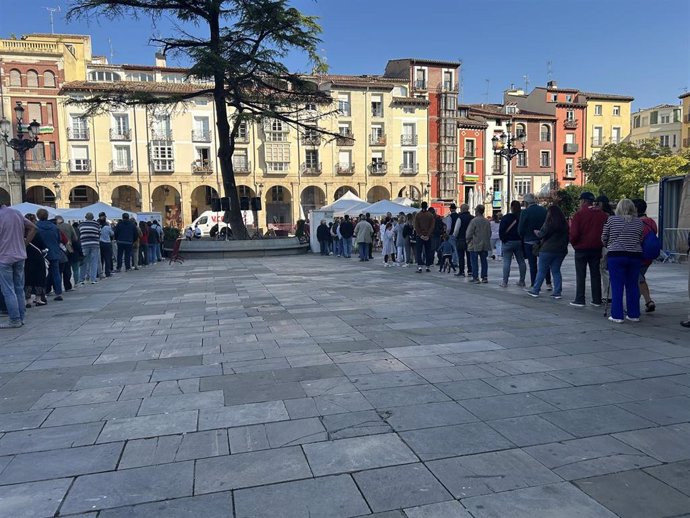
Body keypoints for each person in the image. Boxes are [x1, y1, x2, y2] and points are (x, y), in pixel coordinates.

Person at [602, 199, 644, 323]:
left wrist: (609, 244)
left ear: (618, 208)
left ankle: (617, 315)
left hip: (616, 255)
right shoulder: (639, 222)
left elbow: (604, 236)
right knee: (632, 285)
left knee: (617, 285)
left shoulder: (612, 220)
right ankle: (634, 314)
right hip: (635, 255)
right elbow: (640, 238)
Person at [569, 192, 609, 308]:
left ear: (583, 201)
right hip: (597, 248)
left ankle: (580, 299)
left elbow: (574, 233)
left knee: (581, 274)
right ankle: (596, 299)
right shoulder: (602, 215)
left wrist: (574, 243)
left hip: (581, 248)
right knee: (595, 274)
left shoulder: (579, 214)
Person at [0, 204, 36, 328]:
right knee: (19, 288)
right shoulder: (16, 213)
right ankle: (21, 317)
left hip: (4, 257)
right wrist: (24, 243)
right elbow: (33, 227)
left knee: (8, 290)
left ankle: (14, 319)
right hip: (20, 255)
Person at [526, 205, 569, 299]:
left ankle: (535, 290)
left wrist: (536, 232)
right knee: (556, 271)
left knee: (542, 270)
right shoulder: (565, 224)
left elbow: (541, 234)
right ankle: (557, 292)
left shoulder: (549, 222)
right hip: (561, 250)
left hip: (547, 250)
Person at [519, 193, 552, 290]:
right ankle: (548, 283)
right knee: (544, 262)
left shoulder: (525, 212)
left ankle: (534, 283)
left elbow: (520, 229)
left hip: (529, 241)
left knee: (532, 263)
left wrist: (523, 236)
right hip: (543, 241)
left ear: (526, 202)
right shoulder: (543, 210)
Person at [633, 199, 657, 313]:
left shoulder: (636, 223)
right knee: (640, 278)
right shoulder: (651, 221)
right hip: (649, 256)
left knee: (637, 279)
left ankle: (634, 306)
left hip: (639, 256)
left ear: (636, 209)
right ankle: (648, 302)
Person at [35, 208, 63, 302]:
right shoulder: (54, 227)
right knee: (56, 273)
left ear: (38, 216)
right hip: (54, 252)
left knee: (41, 274)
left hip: (41, 253)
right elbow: (59, 239)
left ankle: (43, 293)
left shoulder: (36, 226)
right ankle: (58, 292)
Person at [499, 200, 526, 288]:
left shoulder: (506, 217)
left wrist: (504, 240)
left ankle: (505, 282)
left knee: (506, 262)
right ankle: (522, 281)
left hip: (508, 242)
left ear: (511, 207)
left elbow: (501, 230)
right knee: (521, 261)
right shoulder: (522, 217)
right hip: (518, 241)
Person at [24, 214, 48, 307]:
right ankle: (38, 299)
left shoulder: (21, 233)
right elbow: (43, 245)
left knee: (27, 278)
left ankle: (28, 300)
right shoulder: (35, 233)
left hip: (25, 257)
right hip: (37, 257)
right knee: (39, 278)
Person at [465, 205, 492, 284]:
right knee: (484, 261)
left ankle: (475, 277)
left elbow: (469, 233)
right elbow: (489, 233)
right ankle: (484, 277)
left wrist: (467, 241)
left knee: (474, 261)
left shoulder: (474, 221)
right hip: (485, 244)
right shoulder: (487, 221)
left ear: (477, 211)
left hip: (475, 243)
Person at [596, 195, 614, 301]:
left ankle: (607, 294)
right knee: (607, 270)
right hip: (613, 246)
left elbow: (604, 233)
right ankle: (608, 293)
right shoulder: (613, 215)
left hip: (605, 246)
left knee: (603, 269)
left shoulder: (603, 216)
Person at [78, 212, 101, 284]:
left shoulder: (81, 224)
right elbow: (99, 233)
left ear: (85, 217)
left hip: (84, 244)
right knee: (94, 261)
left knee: (84, 262)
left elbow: (79, 233)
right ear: (93, 217)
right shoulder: (96, 224)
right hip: (95, 244)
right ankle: (93, 279)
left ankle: (81, 279)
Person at [56, 215, 77, 292]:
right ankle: (67, 286)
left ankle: (56, 287)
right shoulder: (69, 226)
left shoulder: (55, 227)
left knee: (57, 270)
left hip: (57, 249)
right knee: (67, 269)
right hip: (68, 248)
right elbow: (75, 238)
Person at [452, 204, 474, 277]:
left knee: (461, 256)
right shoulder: (472, 218)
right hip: (470, 239)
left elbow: (456, 229)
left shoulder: (460, 218)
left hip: (461, 239)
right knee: (469, 256)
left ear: (462, 209)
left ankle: (461, 271)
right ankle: (470, 270)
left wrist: (455, 236)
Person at [413, 201, 435, 272]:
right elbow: (432, 226)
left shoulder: (418, 215)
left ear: (421, 206)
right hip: (428, 236)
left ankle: (419, 267)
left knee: (419, 251)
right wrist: (428, 235)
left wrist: (420, 235)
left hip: (420, 236)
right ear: (427, 206)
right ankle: (427, 267)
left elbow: (416, 226)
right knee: (428, 251)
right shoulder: (430, 215)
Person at [443, 203, 460, 268]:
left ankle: (455, 262)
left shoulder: (450, 217)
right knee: (457, 249)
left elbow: (449, 227)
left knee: (453, 249)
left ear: (450, 209)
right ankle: (458, 261)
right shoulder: (458, 216)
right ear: (455, 209)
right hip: (458, 235)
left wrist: (447, 234)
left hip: (451, 234)